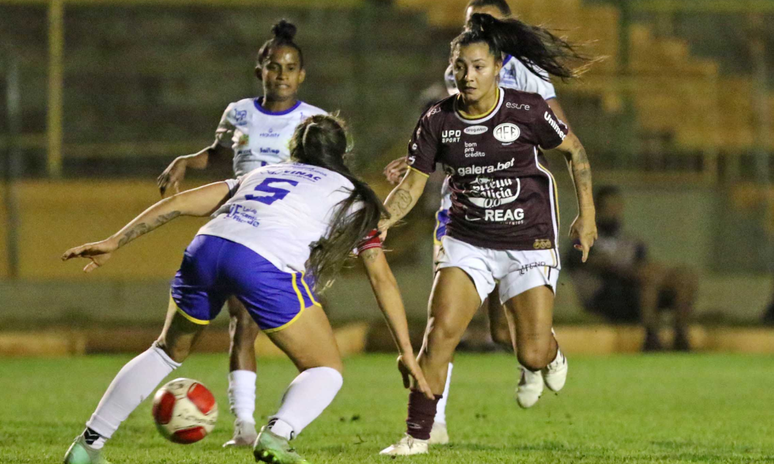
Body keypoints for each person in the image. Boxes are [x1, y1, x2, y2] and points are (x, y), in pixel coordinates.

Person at [62, 114, 432, 464]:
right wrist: (407, 352)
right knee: (325, 368)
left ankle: (88, 445)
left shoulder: (263, 173)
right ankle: (277, 434)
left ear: (294, 150)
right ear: (343, 153)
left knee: (164, 351)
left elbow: (177, 203)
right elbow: (381, 278)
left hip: (207, 247)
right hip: (261, 262)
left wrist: (115, 240)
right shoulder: (353, 196)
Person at [378, 13, 597, 456]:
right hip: (468, 239)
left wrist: (586, 216)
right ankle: (417, 436)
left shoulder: (526, 109)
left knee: (530, 353)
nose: (469, 76)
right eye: (461, 67)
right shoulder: (438, 120)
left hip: (528, 238)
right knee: (439, 334)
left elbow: (575, 151)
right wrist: (381, 220)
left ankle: (549, 356)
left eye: (478, 66)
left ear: (499, 66)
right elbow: (412, 185)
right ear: (451, 67)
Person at [156, 19, 327, 447]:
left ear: (301, 75)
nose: (282, 74)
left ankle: (290, 414)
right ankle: (246, 426)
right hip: (243, 225)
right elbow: (216, 155)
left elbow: (329, 172)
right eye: (274, 66)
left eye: (290, 67)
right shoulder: (239, 113)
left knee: (295, 338)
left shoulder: (314, 119)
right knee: (241, 322)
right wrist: (185, 160)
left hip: (288, 234)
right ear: (260, 71)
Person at [566, 186, 697, 351]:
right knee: (648, 279)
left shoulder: (631, 242)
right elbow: (597, 266)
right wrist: (631, 271)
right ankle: (651, 339)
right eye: (608, 207)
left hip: (636, 295)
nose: (613, 212)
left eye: (616, 207)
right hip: (606, 297)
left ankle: (681, 337)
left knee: (684, 277)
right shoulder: (582, 241)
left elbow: (644, 266)